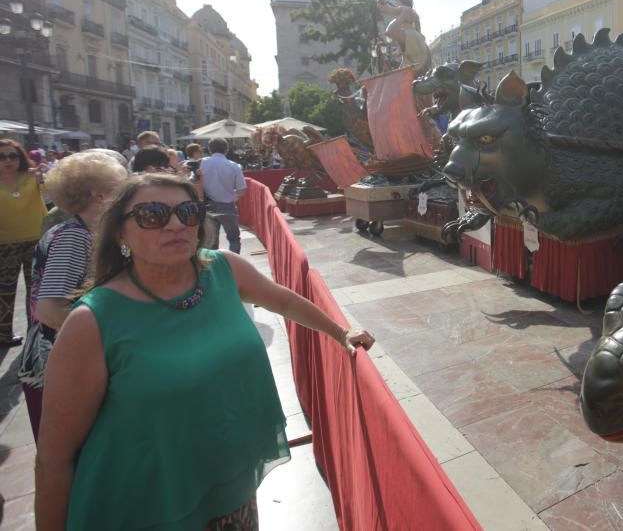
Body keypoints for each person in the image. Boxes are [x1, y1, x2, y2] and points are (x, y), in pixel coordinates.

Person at [35, 173, 374, 530]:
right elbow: (54, 459)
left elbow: (283, 301)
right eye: (152, 215)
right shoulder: (91, 322)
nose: (175, 225)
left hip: (230, 490)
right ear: (120, 233)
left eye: (188, 212)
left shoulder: (223, 269)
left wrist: (340, 332)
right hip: (145, 507)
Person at [16, 152, 128, 440]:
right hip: (60, 365)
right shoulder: (74, 237)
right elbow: (50, 311)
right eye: (122, 188)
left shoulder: (84, 231)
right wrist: (118, 330)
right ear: (99, 194)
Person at [0, 139, 47, 347]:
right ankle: (3, 334)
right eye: (2, 157)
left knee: (36, 288)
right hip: (5, 243)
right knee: (5, 290)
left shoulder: (32, 176)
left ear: (20, 157)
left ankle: (36, 331)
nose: (8, 161)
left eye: (13, 156)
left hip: (37, 240)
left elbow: (53, 195)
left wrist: (43, 179)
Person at [200, 137, 246, 254]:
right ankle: (234, 265)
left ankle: (213, 267)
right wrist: (230, 197)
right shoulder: (234, 166)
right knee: (234, 238)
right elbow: (242, 191)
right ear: (226, 150)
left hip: (207, 205)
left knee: (211, 241)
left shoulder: (201, 163)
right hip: (227, 205)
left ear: (210, 150)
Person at [376, 0, 431, 76]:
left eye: (397, 0)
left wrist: (396, 12)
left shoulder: (407, 11)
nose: (396, 2)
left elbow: (390, 31)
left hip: (415, 75)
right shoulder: (411, 30)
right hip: (415, 69)